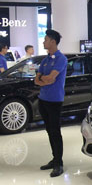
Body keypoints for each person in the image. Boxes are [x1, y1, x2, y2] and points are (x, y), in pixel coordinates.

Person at [35, 29, 68, 177]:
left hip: (55, 101)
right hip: (43, 100)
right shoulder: (45, 60)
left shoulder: (61, 59)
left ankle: (59, 163)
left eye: (46, 40)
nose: (44, 42)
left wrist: (43, 78)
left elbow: (50, 78)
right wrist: (44, 79)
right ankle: (54, 159)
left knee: (55, 132)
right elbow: (37, 80)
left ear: (53, 42)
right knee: (49, 131)